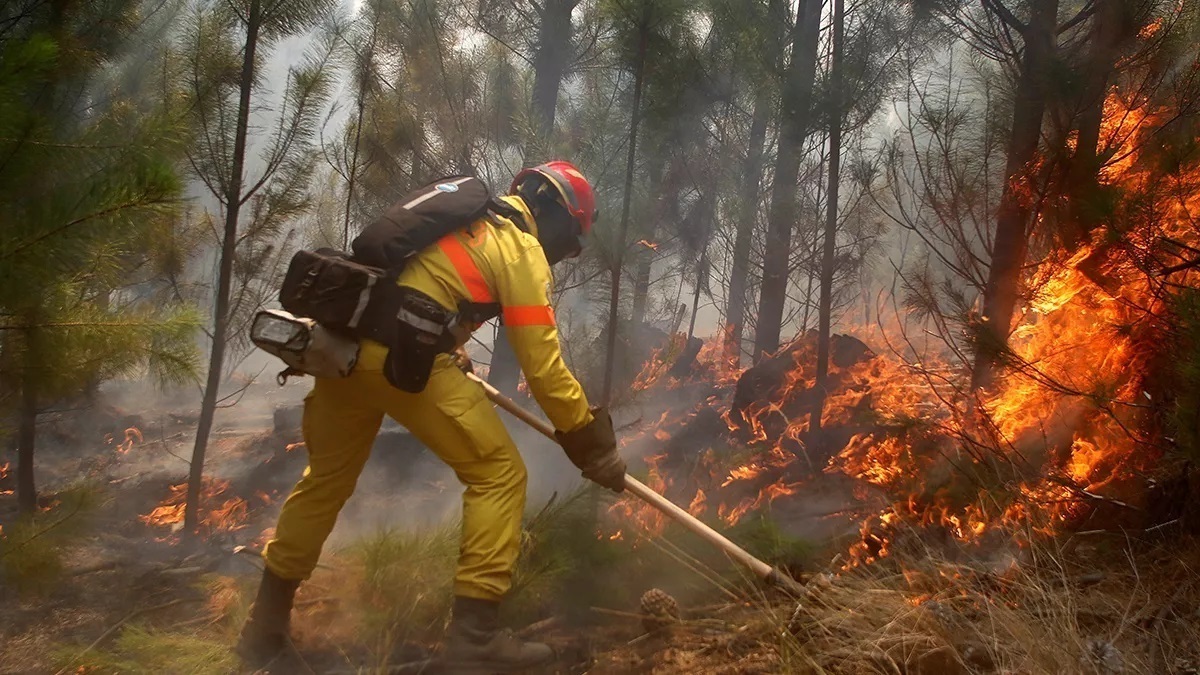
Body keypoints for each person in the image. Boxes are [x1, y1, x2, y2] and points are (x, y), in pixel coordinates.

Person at [236, 161, 627, 673]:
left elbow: (420, 287)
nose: (567, 254)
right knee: (499, 475)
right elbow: (543, 364)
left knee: (326, 481)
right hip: (403, 364)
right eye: (572, 241)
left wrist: (453, 341)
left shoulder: (460, 220)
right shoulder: (519, 247)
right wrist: (589, 438)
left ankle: (263, 628)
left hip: (345, 350)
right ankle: (475, 642)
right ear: (557, 216)